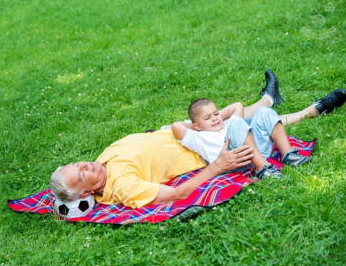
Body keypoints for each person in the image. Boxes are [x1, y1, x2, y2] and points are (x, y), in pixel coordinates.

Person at [50, 70, 346, 208]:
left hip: (184, 132)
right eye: (82, 174)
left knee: (235, 116)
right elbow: (177, 195)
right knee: (248, 124)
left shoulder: (101, 163)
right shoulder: (122, 186)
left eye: (78, 163)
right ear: (86, 193)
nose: (86, 165)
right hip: (203, 148)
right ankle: (311, 110)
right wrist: (217, 167)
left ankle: (268, 100)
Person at [171, 98, 311, 179]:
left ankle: (289, 155)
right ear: (196, 126)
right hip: (235, 163)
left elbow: (237, 105)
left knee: (263, 111)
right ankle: (263, 169)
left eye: (216, 114)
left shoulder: (227, 125)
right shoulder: (198, 137)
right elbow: (176, 126)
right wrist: (197, 126)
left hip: (256, 152)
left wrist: (217, 118)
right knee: (235, 122)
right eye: (207, 118)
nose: (214, 119)